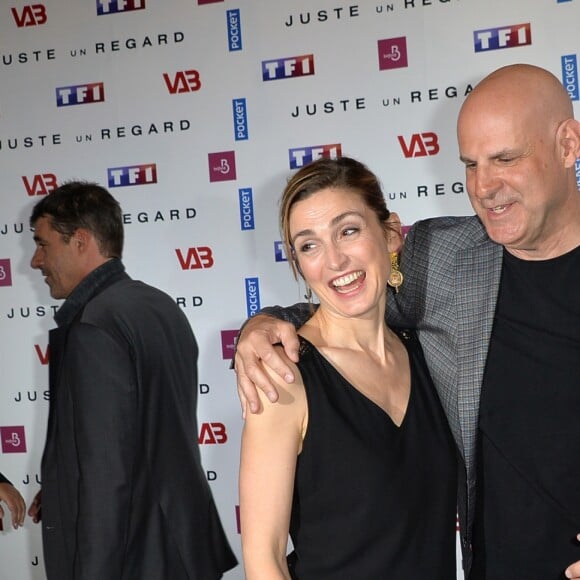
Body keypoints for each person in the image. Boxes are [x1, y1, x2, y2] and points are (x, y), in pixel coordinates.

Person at [234, 63, 580, 579]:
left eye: (506, 158)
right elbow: (350, 299)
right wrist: (261, 326)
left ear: (568, 144)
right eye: (470, 164)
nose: (484, 186)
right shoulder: (446, 257)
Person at [239, 157, 458, 579]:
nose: (335, 260)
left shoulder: (426, 353)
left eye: (349, 231)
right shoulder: (285, 375)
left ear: (391, 234)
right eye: (309, 245)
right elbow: (264, 560)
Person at [27, 182, 237, 579]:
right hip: (181, 546)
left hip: (134, 557)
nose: (36, 260)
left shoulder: (94, 326)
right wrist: (63, 484)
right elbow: (144, 433)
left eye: (44, 244)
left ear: (81, 241)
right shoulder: (158, 305)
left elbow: (107, 473)